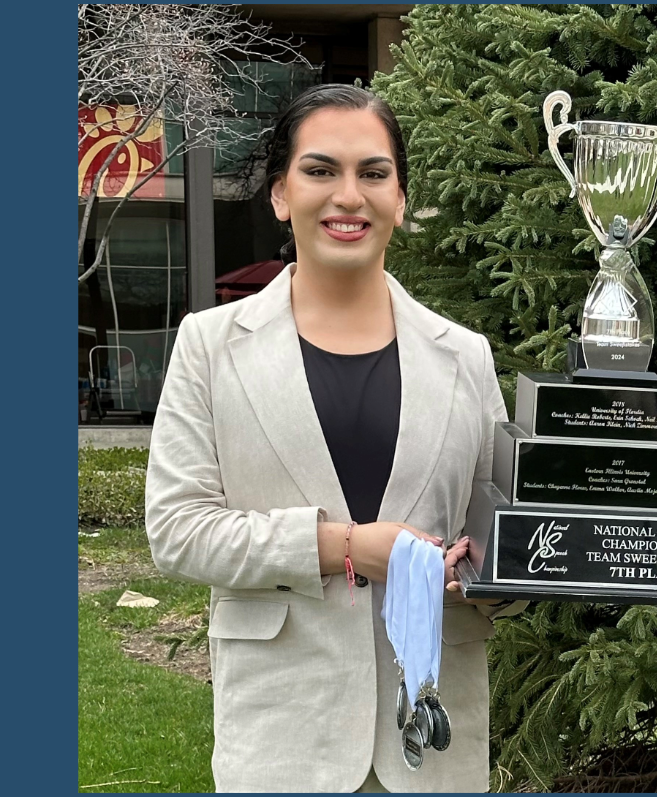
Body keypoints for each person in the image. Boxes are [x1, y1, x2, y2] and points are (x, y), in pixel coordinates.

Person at [145, 84, 522, 793]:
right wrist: (344, 547)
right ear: (280, 194)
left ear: (401, 200)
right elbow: (178, 530)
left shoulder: (465, 356)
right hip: (284, 738)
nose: (349, 195)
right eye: (320, 170)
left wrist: (496, 576)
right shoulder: (211, 345)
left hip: (433, 742)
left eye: (373, 173)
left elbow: (498, 537)